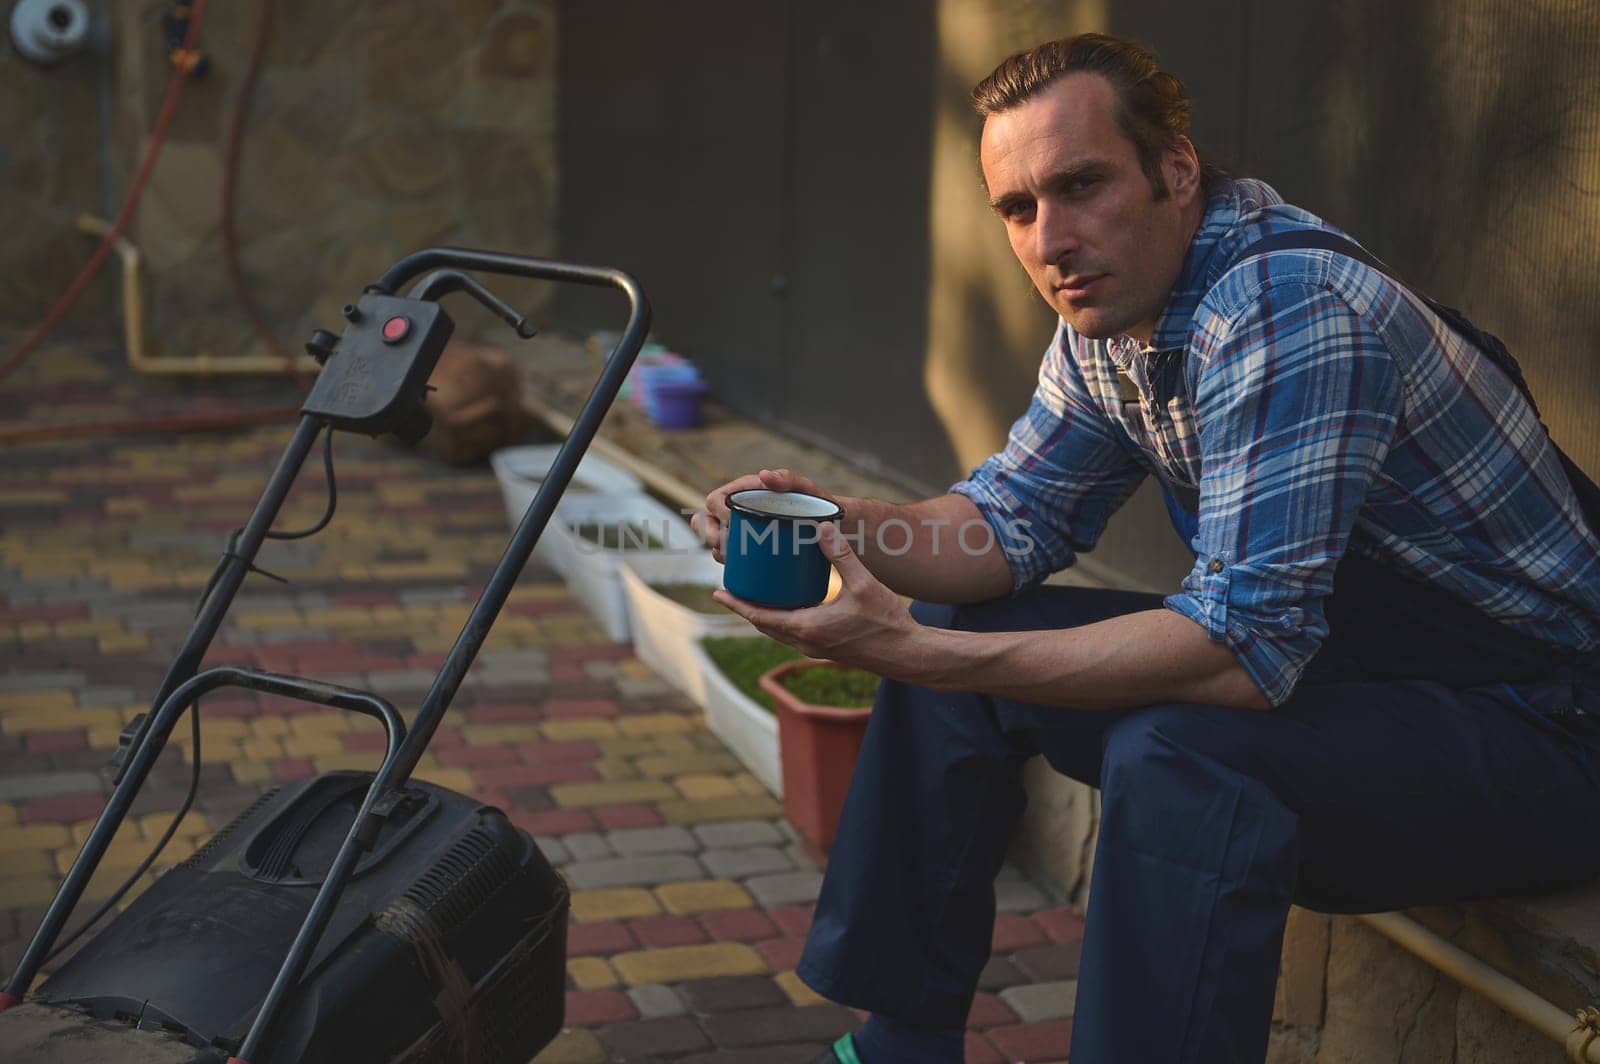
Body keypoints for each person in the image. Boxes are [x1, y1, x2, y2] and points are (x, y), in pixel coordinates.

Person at [692, 32, 1600, 1064]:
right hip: (1364, 676)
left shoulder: (1285, 308)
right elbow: (1005, 523)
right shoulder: (1110, 320)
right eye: (1018, 209)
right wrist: (834, 522)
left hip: (1542, 725)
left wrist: (915, 654)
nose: (1050, 239)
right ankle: (900, 1044)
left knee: (1176, 757)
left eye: (1080, 185)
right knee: (956, 615)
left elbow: (1241, 650)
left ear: (1175, 171)